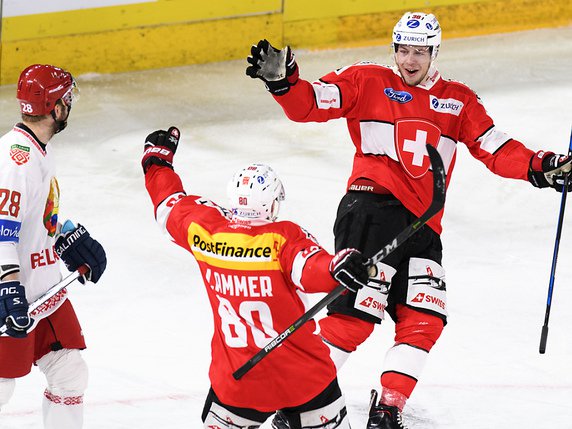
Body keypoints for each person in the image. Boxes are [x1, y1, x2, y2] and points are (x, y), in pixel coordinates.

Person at [245, 11, 572, 428]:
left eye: (420, 51)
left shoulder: (459, 101)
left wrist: (543, 166)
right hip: (370, 212)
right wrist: (284, 83)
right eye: (403, 49)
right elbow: (310, 104)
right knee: (352, 319)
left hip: (424, 226)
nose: (410, 59)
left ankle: (388, 409)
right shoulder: (367, 80)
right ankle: (296, 403)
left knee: (424, 319)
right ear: (393, 48)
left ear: (435, 51)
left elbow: (496, 147)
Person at [141, 126, 372, 428]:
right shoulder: (282, 237)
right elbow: (312, 269)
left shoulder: (204, 229)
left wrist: (156, 164)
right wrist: (338, 266)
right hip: (303, 378)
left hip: (238, 383)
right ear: (273, 203)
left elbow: (168, 203)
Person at [0, 64, 107, 429]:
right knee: (1, 387)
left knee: (70, 373)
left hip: (41, 287)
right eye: (66, 98)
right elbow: (2, 231)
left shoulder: (36, 150)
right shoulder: (17, 159)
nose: (69, 105)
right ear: (55, 107)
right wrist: (8, 286)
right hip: (18, 293)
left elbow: (33, 216)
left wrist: (66, 237)